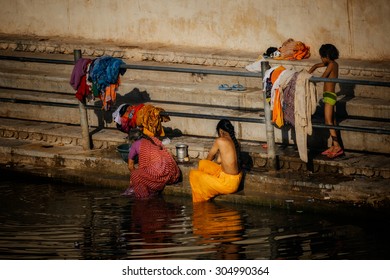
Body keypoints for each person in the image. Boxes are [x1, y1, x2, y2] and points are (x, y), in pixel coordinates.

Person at [189, 119, 243, 203]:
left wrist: (205, 173)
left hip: (228, 184)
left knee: (194, 175)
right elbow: (219, 160)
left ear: (220, 131)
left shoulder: (220, 141)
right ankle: (206, 183)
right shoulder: (236, 142)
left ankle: (201, 200)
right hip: (234, 179)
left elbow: (210, 157)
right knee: (202, 163)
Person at [122, 128, 180, 198]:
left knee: (135, 175)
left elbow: (130, 166)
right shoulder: (152, 139)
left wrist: (133, 179)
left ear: (133, 140)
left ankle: (145, 198)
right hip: (171, 169)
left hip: (158, 171)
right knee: (139, 173)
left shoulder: (134, 145)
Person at [309, 44, 343, 158]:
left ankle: (337, 146)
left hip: (329, 96)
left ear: (326, 56)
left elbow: (323, 77)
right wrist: (314, 67)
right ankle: (334, 145)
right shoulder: (334, 63)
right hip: (329, 96)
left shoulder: (331, 65)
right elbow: (322, 64)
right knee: (332, 122)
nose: (321, 59)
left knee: (328, 121)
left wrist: (310, 79)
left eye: (322, 57)